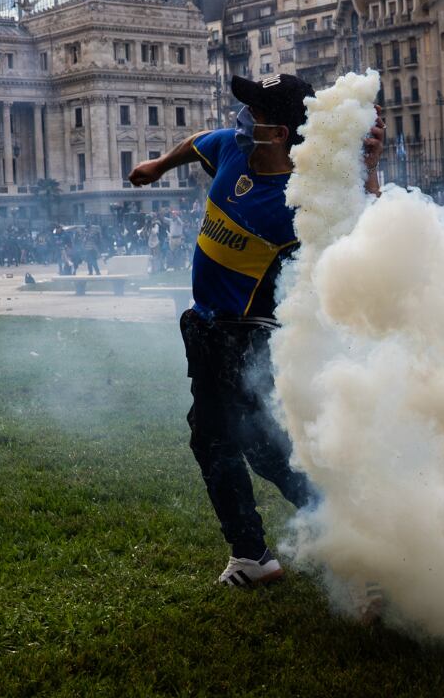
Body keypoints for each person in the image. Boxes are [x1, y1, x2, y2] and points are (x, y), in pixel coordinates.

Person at [128, 72, 383, 586]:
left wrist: (369, 173)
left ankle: (268, 553)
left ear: (281, 133)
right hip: (205, 328)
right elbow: (196, 142)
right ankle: (345, 532)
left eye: (256, 115)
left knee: (217, 440)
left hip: (245, 335)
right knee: (263, 445)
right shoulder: (232, 152)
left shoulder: (303, 200)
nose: (241, 120)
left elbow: (372, 240)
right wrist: (158, 166)